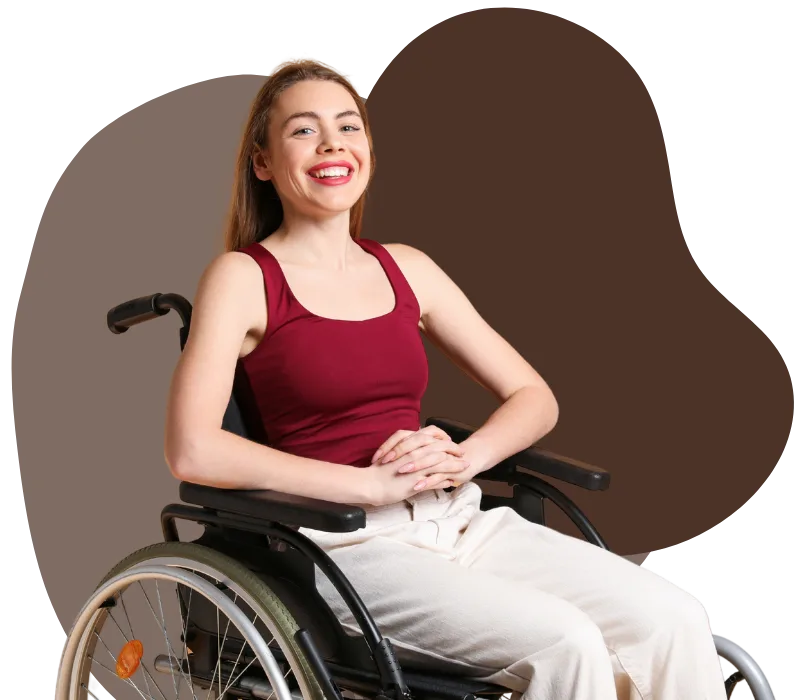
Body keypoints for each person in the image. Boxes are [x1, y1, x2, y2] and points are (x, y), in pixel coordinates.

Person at [163, 55, 728, 700]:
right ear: (263, 162)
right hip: (347, 548)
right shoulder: (243, 279)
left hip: (457, 519)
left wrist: (467, 457)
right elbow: (193, 448)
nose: (332, 145)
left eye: (349, 127)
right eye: (303, 130)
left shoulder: (407, 268)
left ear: (368, 150)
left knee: (675, 617)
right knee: (566, 643)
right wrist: (366, 484)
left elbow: (534, 397)